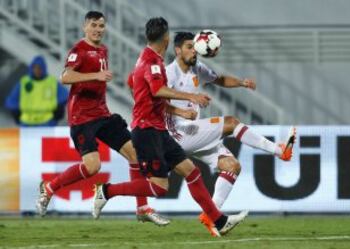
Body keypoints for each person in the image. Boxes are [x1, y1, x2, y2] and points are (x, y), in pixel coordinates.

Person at [93, 17, 248, 237]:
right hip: (147, 131)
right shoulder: (153, 62)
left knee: (192, 172)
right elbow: (157, 91)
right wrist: (190, 98)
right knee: (159, 187)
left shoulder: (144, 57)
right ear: (166, 38)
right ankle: (107, 191)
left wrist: (174, 110)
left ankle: (219, 221)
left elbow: (132, 82)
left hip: (158, 129)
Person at [36, 11, 169, 226]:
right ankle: (49, 188)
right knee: (92, 167)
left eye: (101, 26)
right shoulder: (79, 50)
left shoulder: (103, 50)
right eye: (94, 25)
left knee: (135, 154)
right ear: (84, 27)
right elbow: (65, 76)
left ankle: (142, 208)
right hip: (82, 118)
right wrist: (94, 76)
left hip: (103, 115)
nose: (98, 29)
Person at [165, 32, 296, 236]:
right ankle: (280, 151)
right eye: (189, 47)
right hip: (178, 133)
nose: (194, 51)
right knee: (231, 123)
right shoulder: (169, 73)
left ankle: (212, 215)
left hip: (194, 132)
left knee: (232, 166)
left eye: (194, 46)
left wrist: (242, 83)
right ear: (178, 50)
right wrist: (181, 111)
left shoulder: (197, 69)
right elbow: (156, 102)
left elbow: (220, 80)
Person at [4, 55, 68, 126]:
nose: (37, 70)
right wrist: (16, 112)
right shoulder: (24, 82)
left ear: (44, 68)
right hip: (26, 122)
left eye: (40, 68)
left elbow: (65, 96)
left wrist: (59, 108)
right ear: (32, 68)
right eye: (35, 68)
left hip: (47, 122)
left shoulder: (51, 82)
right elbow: (11, 100)